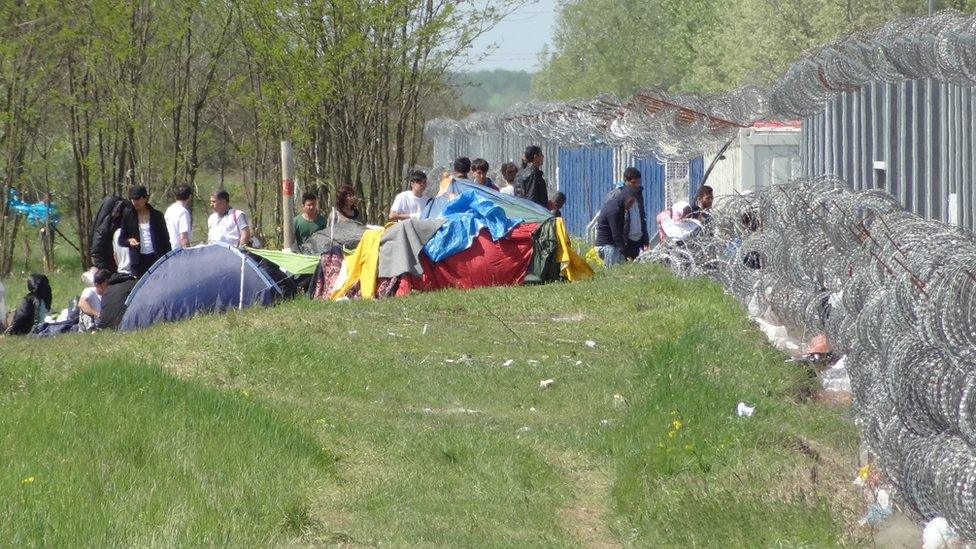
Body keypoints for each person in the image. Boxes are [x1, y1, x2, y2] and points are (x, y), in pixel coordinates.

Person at [122, 185, 171, 277]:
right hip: (138, 261)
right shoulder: (128, 216)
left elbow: (166, 240)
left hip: (156, 258)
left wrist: (168, 258)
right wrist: (129, 241)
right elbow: (121, 240)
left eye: (137, 198)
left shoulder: (157, 216)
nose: (135, 202)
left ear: (145, 198)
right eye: (132, 199)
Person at [594, 187, 640, 267]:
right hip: (608, 247)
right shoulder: (615, 209)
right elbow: (616, 235)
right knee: (615, 272)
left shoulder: (616, 205)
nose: (631, 206)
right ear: (627, 199)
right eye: (630, 203)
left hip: (609, 246)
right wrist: (627, 255)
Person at [619, 167, 649, 259]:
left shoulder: (639, 195)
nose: (636, 185)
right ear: (626, 181)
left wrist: (645, 238)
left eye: (638, 182)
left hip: (637, 239)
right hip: (626, 239)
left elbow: (641, 217)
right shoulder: (619, 195)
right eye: (633, 183)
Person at [165, 184, 193, 250]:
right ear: (189, 197)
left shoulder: (169, 210)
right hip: (178, 252)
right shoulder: (183, 212)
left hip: (168, 250)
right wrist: (189, 254)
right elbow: (183, 237)